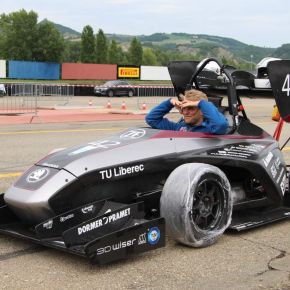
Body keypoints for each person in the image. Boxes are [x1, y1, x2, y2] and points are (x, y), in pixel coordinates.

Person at [145, 89, 229, 134]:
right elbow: (151, 119)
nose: (185, 112)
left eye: (191, 108)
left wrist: (200, 103)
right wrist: (169, 103)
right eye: (184, 107)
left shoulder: (211, 129)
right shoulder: (178, 127)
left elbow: (221, 125)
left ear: (202, 111)